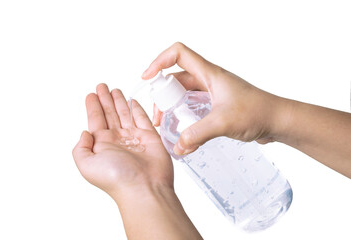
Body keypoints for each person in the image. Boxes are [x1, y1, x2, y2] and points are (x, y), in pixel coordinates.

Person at [72, 42, 351, 239]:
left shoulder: (202, 104)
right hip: (247, 212)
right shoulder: (171, 126)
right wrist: (143, 186)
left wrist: (140, 191)